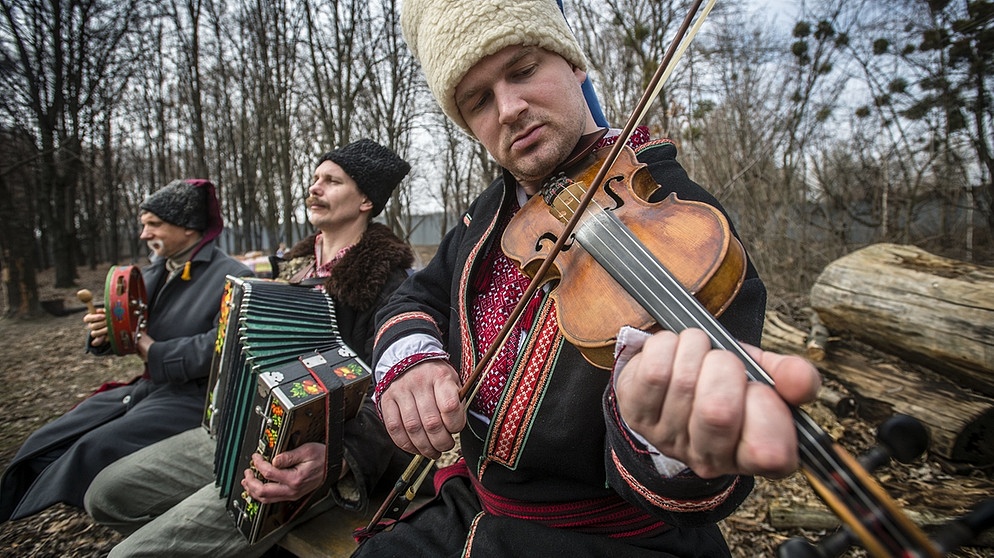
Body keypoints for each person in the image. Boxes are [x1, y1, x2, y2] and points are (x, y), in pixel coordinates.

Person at [355, 1, 823, 557]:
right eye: (478, 100)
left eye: (524, 69)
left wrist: (665, 444)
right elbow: (418, 294)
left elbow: (699, 488)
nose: (509, 108)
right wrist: (413, 359)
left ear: (575, 66)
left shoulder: (686, 226)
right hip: (470, 508)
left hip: (610, 540)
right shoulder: (487, 213)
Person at [84, 139, 419, 558]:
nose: (314, 188)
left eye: (331, 181)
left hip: (307, 455)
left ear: (367, 200)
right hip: (236, 428)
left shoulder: (393, 284)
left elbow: (395, 391)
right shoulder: (287, 271)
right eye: (314, 178)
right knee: (106, 494)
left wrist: (340, 456)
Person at [0, 179, 253, 524]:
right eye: (143, 224)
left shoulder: (234, 276)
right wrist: (104, 335)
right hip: (149, 389)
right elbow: (126, 329)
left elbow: (221, 348)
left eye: (153, 224)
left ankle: (152, 524)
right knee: (47, 440)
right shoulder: (152, 272)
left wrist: (150, 348)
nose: (144, 234)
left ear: (189, 227)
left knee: (95, 449)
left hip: (194, 399)